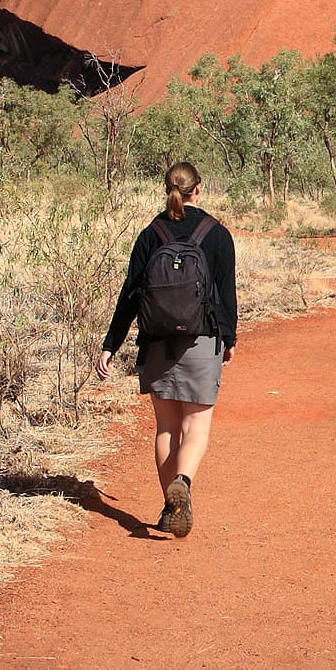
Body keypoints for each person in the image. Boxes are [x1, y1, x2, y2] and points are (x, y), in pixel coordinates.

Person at [98, 160, 239, 537]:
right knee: (196, 426)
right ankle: (185, 483)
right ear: (199, 189)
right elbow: (226, 296)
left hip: (156, 340)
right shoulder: (218, 235)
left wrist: (112, 343)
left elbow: (129, 296)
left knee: (166, 427)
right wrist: (229, 338)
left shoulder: (150, 234)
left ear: (167, 190)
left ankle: (169, 505)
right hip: (202, 339)